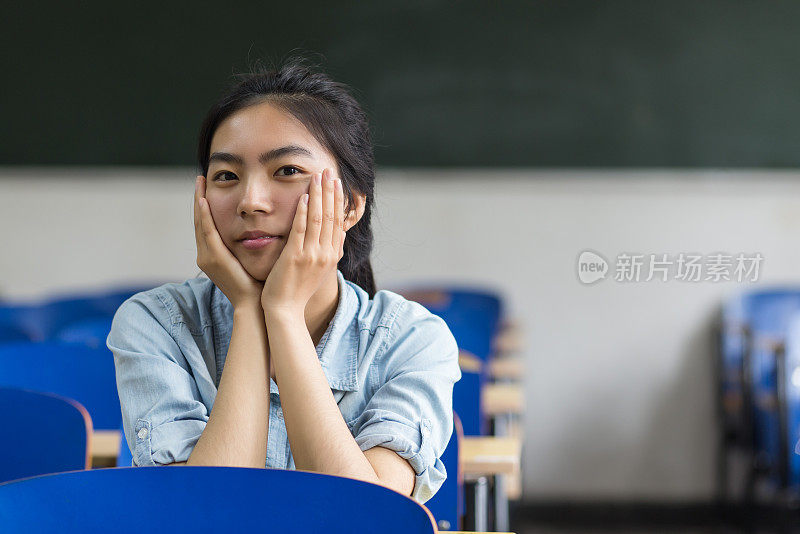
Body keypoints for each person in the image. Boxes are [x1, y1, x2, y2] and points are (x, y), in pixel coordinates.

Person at [106, 57, 461, 503]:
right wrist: (248, 312)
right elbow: (205, 512)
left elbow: (362, 515)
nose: (251, 201)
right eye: (226, 176)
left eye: (287, 171)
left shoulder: (413, 338)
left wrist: (283, 312)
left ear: (350, 206)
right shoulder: (154, 323)